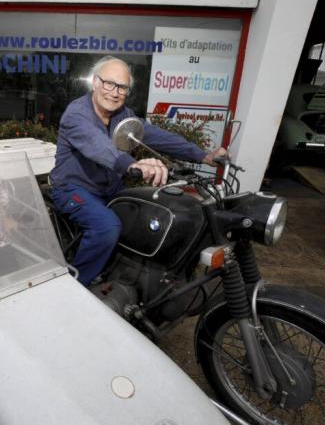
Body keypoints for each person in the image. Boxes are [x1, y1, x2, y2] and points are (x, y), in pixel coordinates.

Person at [49, 55, 228, 287]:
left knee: (149, 215)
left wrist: (202, 155)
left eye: (122, 87)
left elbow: (156, 136)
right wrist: (131, 165)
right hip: (73, 188)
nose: (114, 92)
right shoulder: (77, 114)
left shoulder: (123, 116)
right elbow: (97, 146)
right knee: (107, 226)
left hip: (110, 188)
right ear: (95, 83)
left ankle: (131, 275)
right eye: (109, 83)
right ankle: (76, 287)